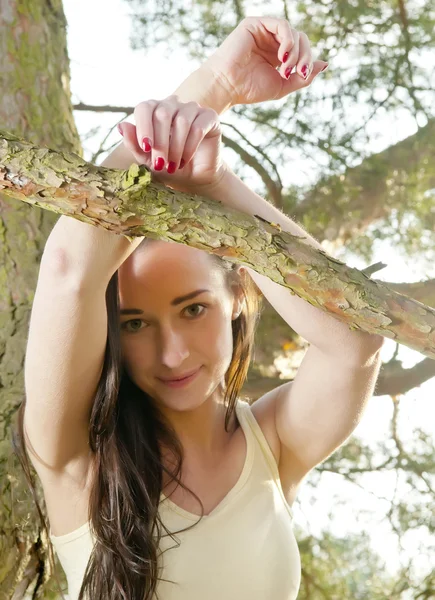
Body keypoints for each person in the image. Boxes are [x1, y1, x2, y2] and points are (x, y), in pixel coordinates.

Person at [14, 15, 384, 600]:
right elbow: (69, 269)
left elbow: (355, 339)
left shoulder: (274, 445)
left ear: (238, 296)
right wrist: (215, 83)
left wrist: (216, 188)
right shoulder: (78, 457)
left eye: (193, 309)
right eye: (135, 324)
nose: (173, 352)